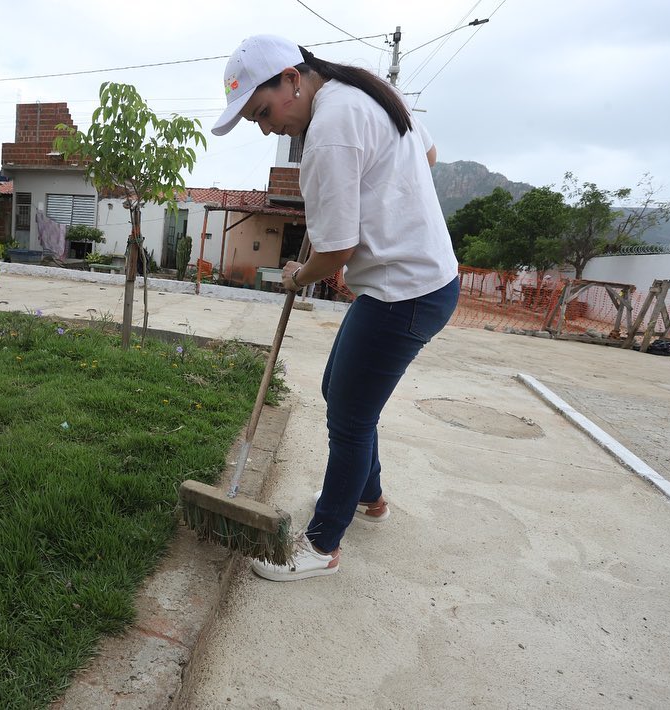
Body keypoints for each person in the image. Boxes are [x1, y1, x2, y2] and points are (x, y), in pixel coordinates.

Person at [211, 35, 459, 582]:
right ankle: (368, 496)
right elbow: (430, 155)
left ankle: (322, 545)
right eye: (255, 120)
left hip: (406, 291)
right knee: (339, 391)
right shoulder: (361, 89)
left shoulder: (327, 132)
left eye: (263, 112)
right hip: (418, 281)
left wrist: (299, 275)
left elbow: (337, 254)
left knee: (349, 416)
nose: (267, 127)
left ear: (292, 79)